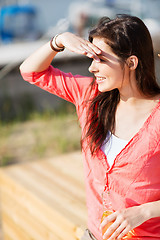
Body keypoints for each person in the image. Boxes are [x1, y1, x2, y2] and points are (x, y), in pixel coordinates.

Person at [20, 14, 160, 240]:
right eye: (91, 58)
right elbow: (31, 71)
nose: (92, 68)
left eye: (101, 59)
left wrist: (143, 212)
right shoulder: (89, 95)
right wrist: (60, 41)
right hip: (94, 235)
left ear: (132, 63)